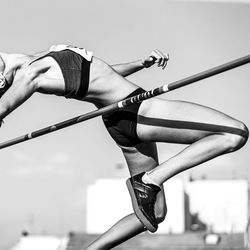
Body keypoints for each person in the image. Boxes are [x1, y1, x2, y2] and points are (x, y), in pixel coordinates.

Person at [0, 45, 248, 249]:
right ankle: (151, 179)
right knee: (234, 133)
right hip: (138, 112)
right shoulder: (33, 72)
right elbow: (11, 99)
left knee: (155, 213)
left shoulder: (42, 60)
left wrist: (141, 64)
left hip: (119, 119)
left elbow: (101, 76)